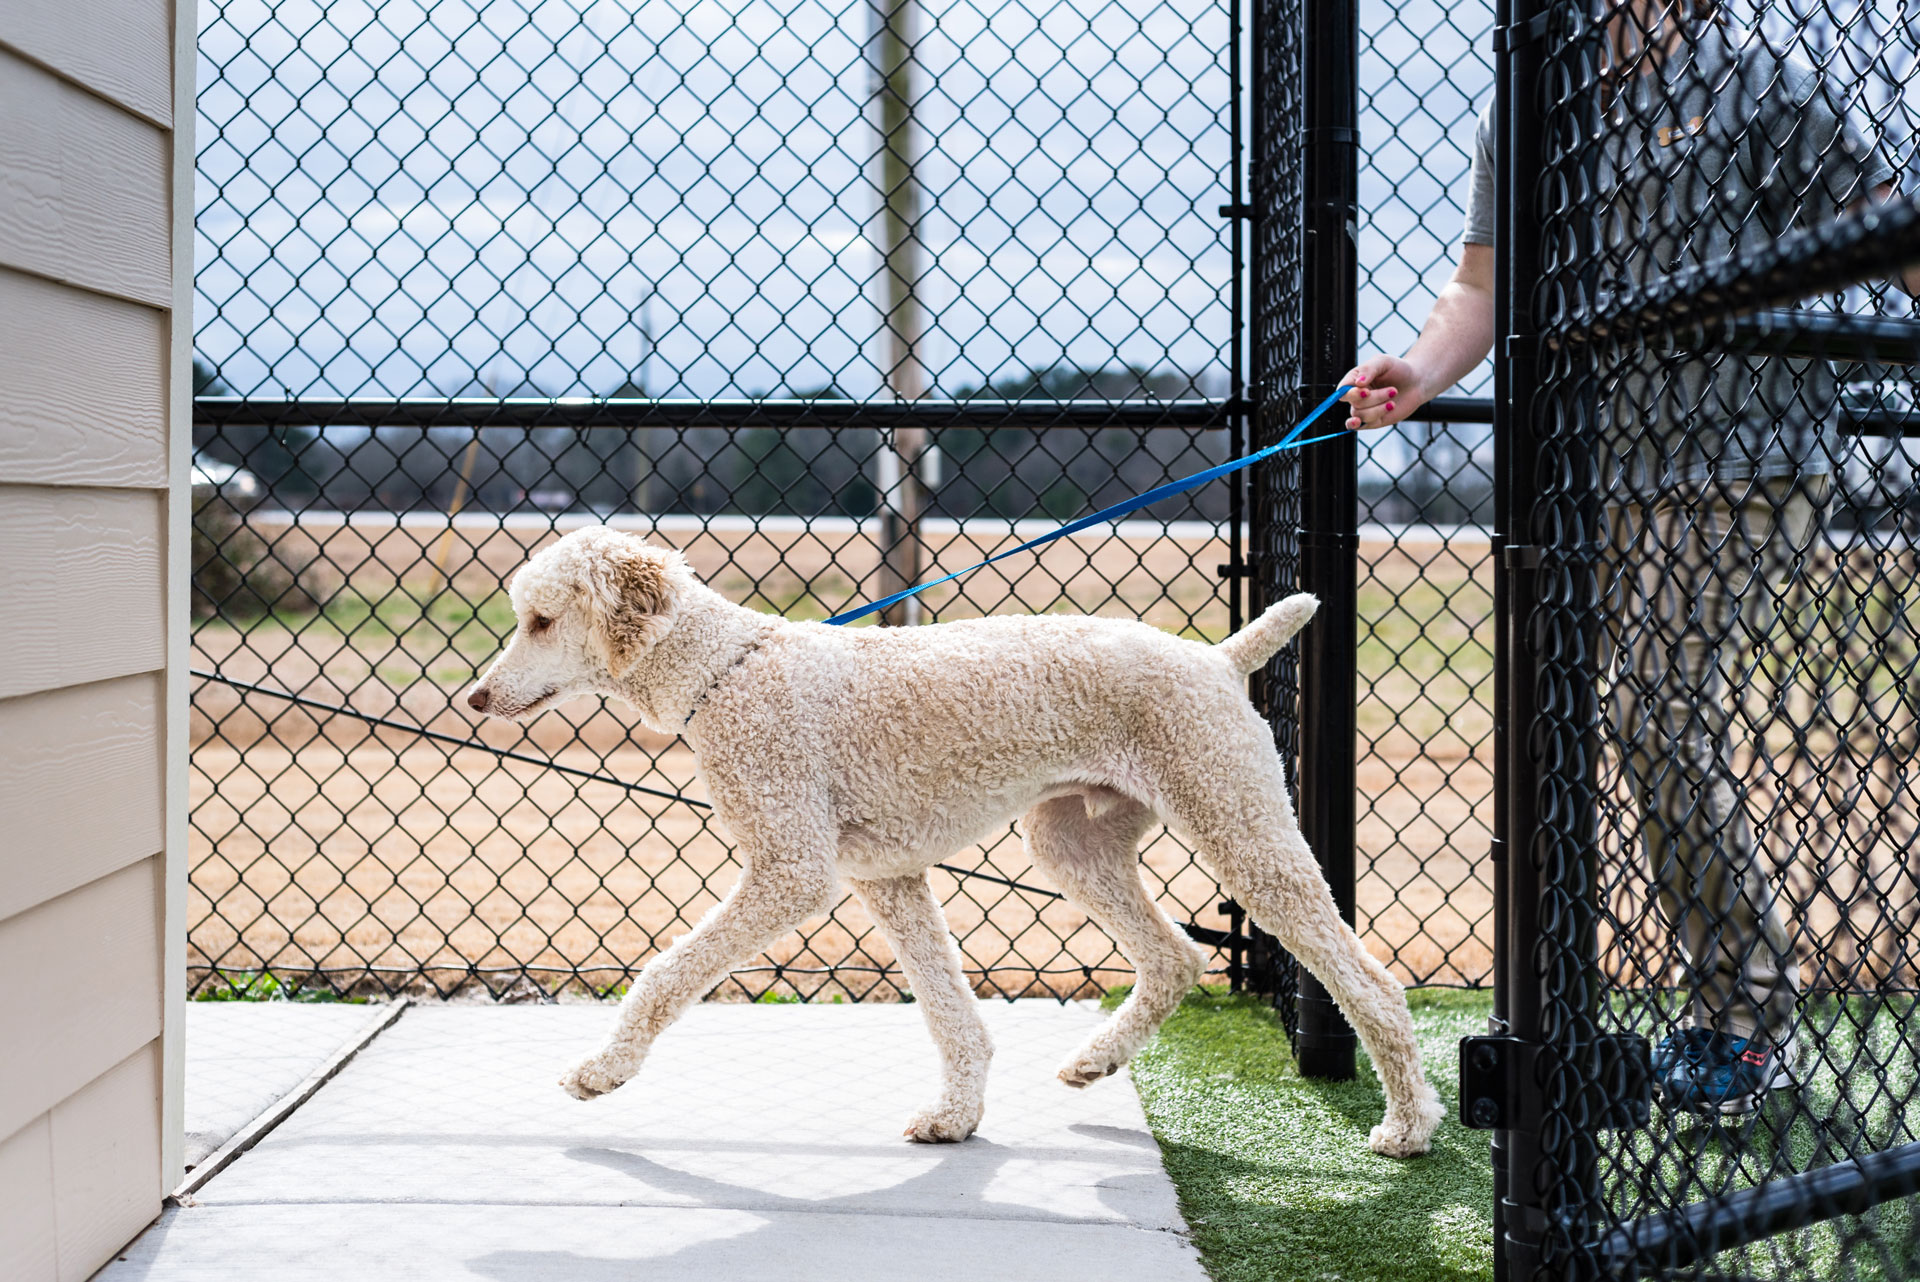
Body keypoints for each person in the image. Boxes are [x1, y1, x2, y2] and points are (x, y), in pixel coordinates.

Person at [1340, 7, 1901, 1114]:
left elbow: (1886, 226)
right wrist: (1420, 368)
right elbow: (1482, 285)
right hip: (1600, 465)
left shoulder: (1757, 82)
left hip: (1747, 456)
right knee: (1580, 715)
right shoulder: (1536, 92)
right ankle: (1571, 1007)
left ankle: (1747, 1017)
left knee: (1653, 704)